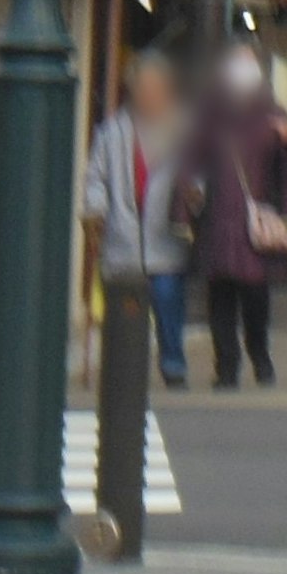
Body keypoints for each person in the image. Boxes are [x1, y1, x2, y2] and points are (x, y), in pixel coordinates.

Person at [179, 45, 287, 389]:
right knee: (220, 296)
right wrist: (187, 195)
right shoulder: (210, 112)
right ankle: (227, 367)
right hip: (218, 218)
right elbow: (190, 157)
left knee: (255, 295)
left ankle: (260, 356)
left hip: (256, 220)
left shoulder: (274, 114)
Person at [78, 50, 193, 388]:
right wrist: (95, 208)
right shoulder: (112, 132)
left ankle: (173, 365)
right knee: (125, 312)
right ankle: (125, 369)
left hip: (165, 236)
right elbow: (96, 177)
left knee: (168, 301)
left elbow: (200, 171)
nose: (150, 96)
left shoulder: (184, 128)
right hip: (124, 237)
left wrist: (196, 192)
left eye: (156, 89)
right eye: (143, 89)